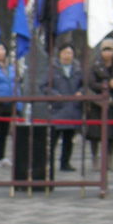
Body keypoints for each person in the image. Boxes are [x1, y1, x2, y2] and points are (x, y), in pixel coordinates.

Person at [41, 42, 83, 174]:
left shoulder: (77, 69)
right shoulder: (52, 69)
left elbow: (84, 84)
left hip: (73, 108)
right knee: (53, 139)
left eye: (70, 53)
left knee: (68, 138)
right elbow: (44, 86)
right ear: (59, 54)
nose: (67, 55)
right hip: (58, 108)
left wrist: (81, 92)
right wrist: (54, 95)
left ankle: (65, 162)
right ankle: (48, 162)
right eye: (65, 52)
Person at [88, 38, 113, 171]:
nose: (107, 53)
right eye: (105, 50)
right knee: (95, 134)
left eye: (110, 50)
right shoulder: (95, 65)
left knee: (112, 134)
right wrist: (106, 85)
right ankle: (95, 159)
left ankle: (110, 160)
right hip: (97, 103)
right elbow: (91, 83)